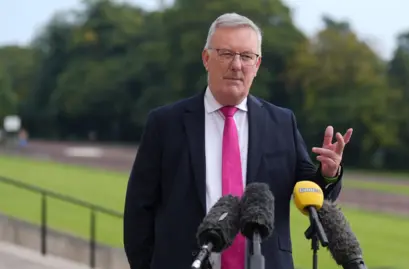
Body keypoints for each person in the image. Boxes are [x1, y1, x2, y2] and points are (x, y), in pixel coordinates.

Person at [123, 12, 353, 269]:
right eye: (226, 53)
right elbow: (138, 211)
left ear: (257, 64)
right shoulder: (166, 123)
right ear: (206, 58)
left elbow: (310, 192)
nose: (237, 65)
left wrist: (329, 173)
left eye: (246, 56)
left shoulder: (281, 122)